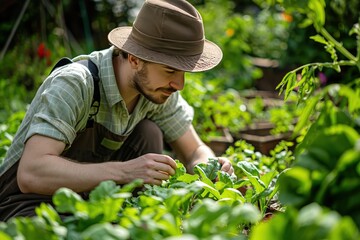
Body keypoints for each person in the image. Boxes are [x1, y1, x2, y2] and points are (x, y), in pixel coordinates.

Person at [0, 0, 233, 221]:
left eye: (184, 73)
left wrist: (210, 167)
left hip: (91, 202)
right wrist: (124, 172)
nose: (179, 84)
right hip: (27, 204)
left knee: (148, 132)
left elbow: (194, 151)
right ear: (134, 59)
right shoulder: (75, 83)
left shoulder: (156, 89)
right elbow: (31, 173)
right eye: (170, 70)